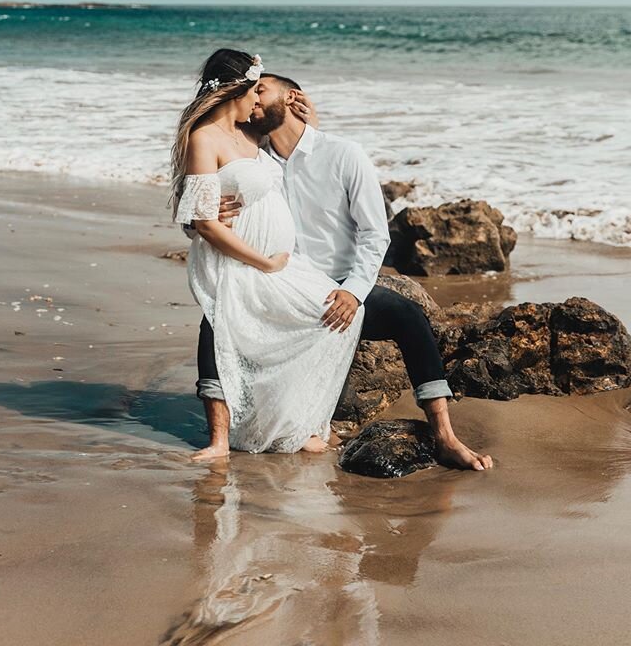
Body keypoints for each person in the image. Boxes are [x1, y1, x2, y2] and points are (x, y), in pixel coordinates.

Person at [196, 71, 493, 471]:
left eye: (260, 90)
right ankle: (219, 436)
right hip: (278, 285)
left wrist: (353, 291)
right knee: (217, 314)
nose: (252, 99)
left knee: (408, 316)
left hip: (333, 287)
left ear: (291, 98)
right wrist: (201, 217)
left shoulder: (342, 154)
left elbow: (375, 235)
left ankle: (445, 435)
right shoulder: (256, 162)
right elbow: (203, 208)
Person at [171, 49, 365, 459]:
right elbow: (204, 223)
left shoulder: (249, 134)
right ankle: (224, 440)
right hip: (238, 261)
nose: (259, 102)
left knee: (337, 313)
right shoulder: (204, 138)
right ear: (233, 90)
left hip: (275, 262)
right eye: (255, 93)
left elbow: (294, 146)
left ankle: (290, 424)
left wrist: (309, 115)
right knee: (229, 332)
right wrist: (263, 261)